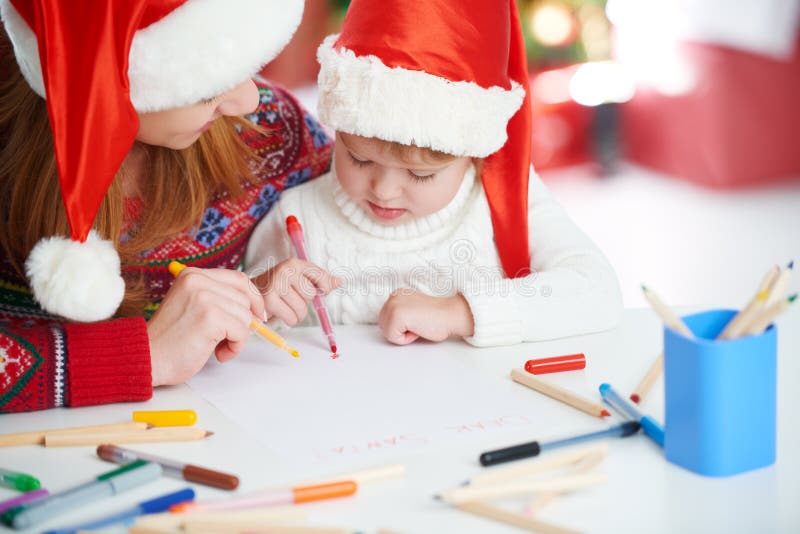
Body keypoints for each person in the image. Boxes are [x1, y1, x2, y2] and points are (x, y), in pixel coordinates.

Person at [0, 0, 334, 413]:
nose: (248, 100)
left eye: (247, 64)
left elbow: (392, 209)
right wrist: (145, 356)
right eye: (210, 87)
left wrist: (259, 284)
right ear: (107, 75)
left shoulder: (271, 128)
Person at [245, 0, 623, 347]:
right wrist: (262, 298)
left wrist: (459, 313)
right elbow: (249, 336)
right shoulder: (298, 218)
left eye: (420, 175)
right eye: (359, 159)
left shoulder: (504, 195)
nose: (385, 190)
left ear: (473, 156)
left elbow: (596, 291)